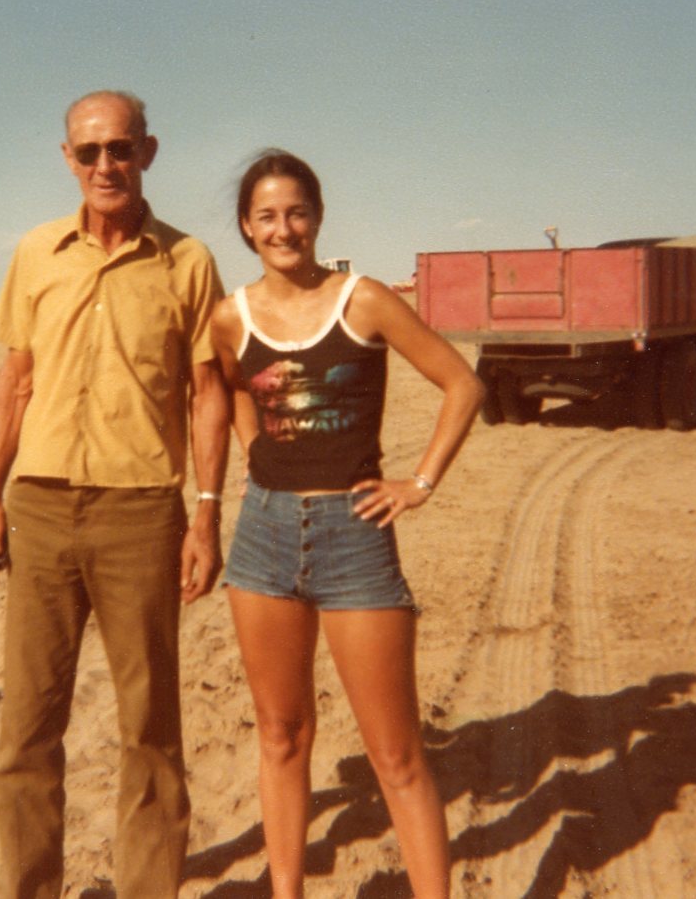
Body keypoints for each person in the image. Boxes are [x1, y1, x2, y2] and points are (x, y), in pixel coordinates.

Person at [0, 90, 229, 899]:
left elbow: (209, 392)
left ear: (149, 152)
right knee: (27, 730)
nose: (105, 165)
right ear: (67, 159)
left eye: (121, 148)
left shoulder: (187, 261)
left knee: (149, 728)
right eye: (89, 152)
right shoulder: (36, 252)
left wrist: (207, 514)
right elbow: (14, 383)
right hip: (40, 509)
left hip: (142, 514)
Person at [210, 150, 484, 899]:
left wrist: (419, 482)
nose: (283, 228)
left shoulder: (362, 300)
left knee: (396, 755)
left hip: (355, 535)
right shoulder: (229, 316)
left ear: (318, 216)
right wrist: (251, 450)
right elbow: (234, 388)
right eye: (266, 215)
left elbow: (462, 382)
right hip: (262, 536)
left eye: (296, 212)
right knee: (281, 736)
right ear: (246, 225)